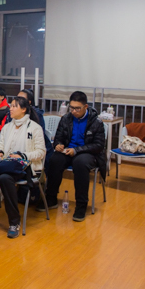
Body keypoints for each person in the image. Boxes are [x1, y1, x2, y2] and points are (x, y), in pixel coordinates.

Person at [0, 96, 46, 238]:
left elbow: (41, 152)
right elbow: (0, 144)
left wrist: (23, 155)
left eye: (14, 106)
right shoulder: (7, 126)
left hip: (24, 166)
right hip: (5, 163)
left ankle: (14, 222)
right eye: (10, 106)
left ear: (23, 109)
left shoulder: (34, 128)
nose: (10, 109)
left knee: (4, 178)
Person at [45, 91, 106, 222]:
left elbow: (99, 145)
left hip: (88, 153)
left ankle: (81, 205)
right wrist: (58, 145)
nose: (73, 111)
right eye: (71, 108)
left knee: (80, 163)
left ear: (85, 107)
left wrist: (77, 150)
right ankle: (50, 198)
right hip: (68, 151)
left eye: (77, 108)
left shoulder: (96, 122)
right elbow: (58, 138)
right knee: (54, 159)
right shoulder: (66, 118)